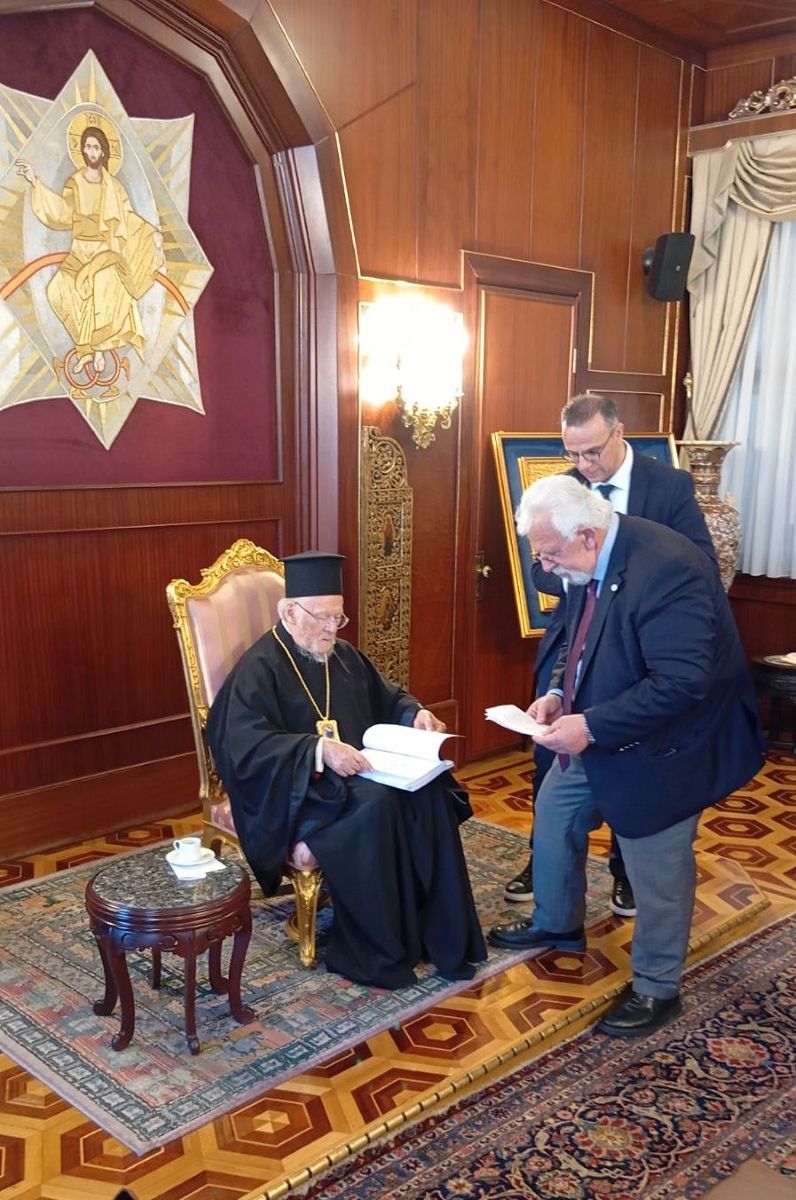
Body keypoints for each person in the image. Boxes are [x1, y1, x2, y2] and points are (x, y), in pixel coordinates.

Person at [489, 475, 763, 1037]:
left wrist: (589, 725)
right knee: (555, 814)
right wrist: (558, 692)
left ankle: (657, 987)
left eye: (550, 553)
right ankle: (557, 923)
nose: (546, 567)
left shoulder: (669, 568)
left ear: (587, 536)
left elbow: (681, 683)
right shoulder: (586, 559)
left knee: (656, 866)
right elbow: (581, 638)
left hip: (666, 745)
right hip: (600, 726)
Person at [206, 551, 486, 991]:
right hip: (296, 790)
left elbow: (388, 697)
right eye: (321, 618)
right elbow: (241, 745)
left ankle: (441, 938)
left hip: (357, 775)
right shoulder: (259, 669)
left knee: (428, 792)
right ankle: (380, 950)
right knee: (375, 805)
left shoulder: (343, 656)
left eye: (338, 618)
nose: (331, 630)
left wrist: (414, 713)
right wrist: (317, 750)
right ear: (290, 613)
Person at [504, 393, 718, 919]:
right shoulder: (565, 489)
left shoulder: (667, 487)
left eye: (593, 451)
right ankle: (547, 870)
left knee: (632, 758)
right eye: (573, 453)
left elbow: (702, 565)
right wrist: (567, 564)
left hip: (644, 645)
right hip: (577, 635)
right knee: (551, 759)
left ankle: (626, 873)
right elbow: (538, 572)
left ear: (618, 433)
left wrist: (618, 569)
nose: (584, 464)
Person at [16, 121, 163, 387]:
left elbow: (128, 218)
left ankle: (90, 350)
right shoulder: (76, 182)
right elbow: (62, 211)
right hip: (79, 251)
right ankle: (90, 347)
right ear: (82, 150)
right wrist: (35, 182)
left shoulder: (114, 187)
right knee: (57, 291)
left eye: (96, 147)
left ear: (104, 152)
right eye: (87, 147)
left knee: (95, 290)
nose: (91, 152)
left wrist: (152, 234)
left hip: (105, 254)